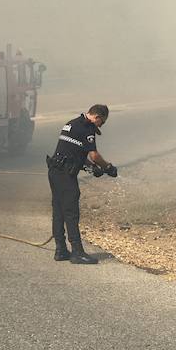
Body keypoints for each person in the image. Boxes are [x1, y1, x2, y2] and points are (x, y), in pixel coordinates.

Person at [47, 104, 117, 265]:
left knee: (58, 211)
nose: (100, 126)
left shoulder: (71, 123)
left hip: (55, 171)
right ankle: (77, 252)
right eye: (102, 122)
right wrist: (108, 167)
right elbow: (94, 155)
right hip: (65, 175)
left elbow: (74, 152)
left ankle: (61, 250)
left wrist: (91, 168)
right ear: (98, 117)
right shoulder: (88, 128)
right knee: (71, 213)